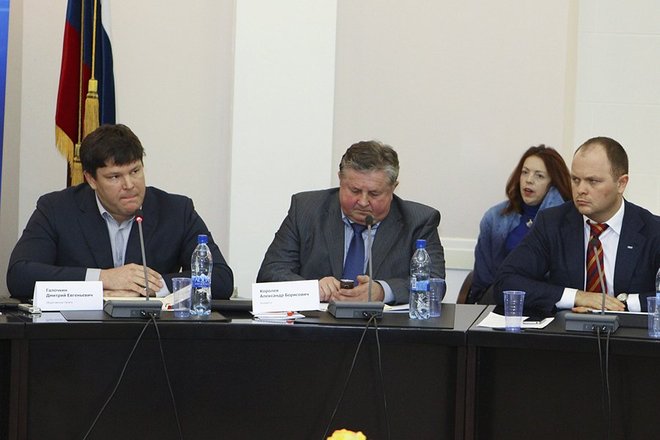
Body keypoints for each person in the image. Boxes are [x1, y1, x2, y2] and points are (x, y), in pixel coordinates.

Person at [7, 124, 234, 300]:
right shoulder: (57, 209)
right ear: (91, 179)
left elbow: (221, 278)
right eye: (115, 176)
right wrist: (103, 279)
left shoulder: (176, 211)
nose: (129, 185)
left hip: (154, 337)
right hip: (78, 337)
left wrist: (149, 286)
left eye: (135, 171)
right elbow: (20, 275)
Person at [257, 140, 445, 305]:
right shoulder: (306, 210)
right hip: (316, 329)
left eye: (374, 194)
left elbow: (435, 283)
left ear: (393, 188)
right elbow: (270, 273)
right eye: (354, 191)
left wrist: (382, 291)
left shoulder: (418, 221)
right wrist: (311, 289)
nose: (363, 202)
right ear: (340, 179)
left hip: (383, 331)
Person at [494, 136, 660, 314]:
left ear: (621, 183)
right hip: (567, 329)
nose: (580, 190)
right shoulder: (551, 223)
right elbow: (506, 282)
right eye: (575, 180)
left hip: (628, 331)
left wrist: (623, 304)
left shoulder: (653, 230)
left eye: (592, 181)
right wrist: (577, 297)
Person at [469, 145, 571, 303]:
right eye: (525, 172)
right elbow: (483, 277)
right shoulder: (495, 217)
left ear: (554, 184)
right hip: (500, 301)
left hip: (546, 303)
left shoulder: (565, 221)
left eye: (539, 176)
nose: (529, 180)